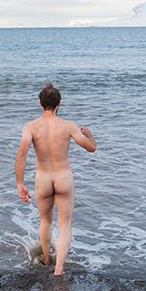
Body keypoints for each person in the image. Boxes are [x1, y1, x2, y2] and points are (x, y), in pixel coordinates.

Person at [15, 81, 96, 276]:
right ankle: (59, 269)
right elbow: (91, 147)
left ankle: (46, 258)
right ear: (59, 104)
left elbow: (21, 154)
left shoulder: (31, 127)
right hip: (63, 178)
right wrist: (90, 135)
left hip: (43, 179)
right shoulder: (68, 126)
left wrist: (20, 183)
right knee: (65, 224)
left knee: (45, 221)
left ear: (40, 103)